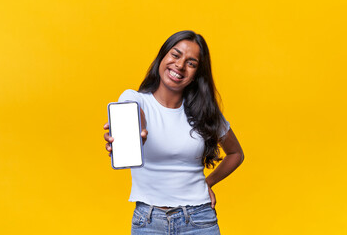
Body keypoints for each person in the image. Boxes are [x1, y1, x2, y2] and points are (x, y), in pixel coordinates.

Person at [104, 30, 244, 234]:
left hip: (199, 220)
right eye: (175, 55)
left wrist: (208, 182)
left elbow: (236, 154)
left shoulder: (205, 111)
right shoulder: (135, 99)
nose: (180, 65)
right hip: (148, 222)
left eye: (191, 63)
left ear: (197, 74)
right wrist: (135, 133)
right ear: (162, 57)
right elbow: (136, 117)